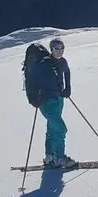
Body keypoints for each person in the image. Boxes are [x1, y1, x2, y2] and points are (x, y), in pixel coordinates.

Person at [30, 37, 77, 169]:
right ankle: (59, 158)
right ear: (51, 49)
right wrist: (34, 97)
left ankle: (50, 156)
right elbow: (33, 79)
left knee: (52, 129)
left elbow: (67, 71)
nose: (60, 50)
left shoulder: (62, 62)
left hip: (58, 99)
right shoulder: (44, 64)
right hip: (46, 102)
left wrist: (68, 87)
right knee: (61, 129)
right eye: (56, 48)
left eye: (62, 47)